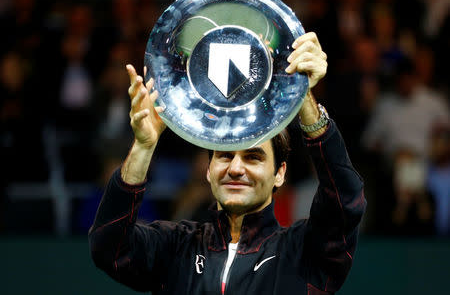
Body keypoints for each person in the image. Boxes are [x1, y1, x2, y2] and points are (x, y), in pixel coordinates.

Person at [89, 32, 366, 294]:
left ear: (279, 173)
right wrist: (143, 146)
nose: (235, 168)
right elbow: (108, 246)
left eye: (253, 157)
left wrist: (302, 94)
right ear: (208, 170)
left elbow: (344, 199)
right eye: (224, 155)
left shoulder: (304, 252)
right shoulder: (174, 248)